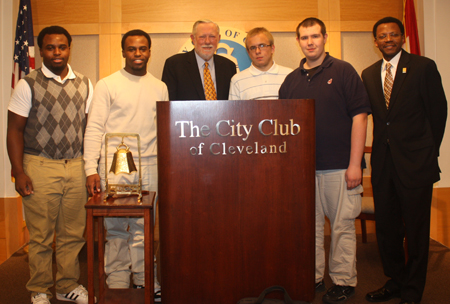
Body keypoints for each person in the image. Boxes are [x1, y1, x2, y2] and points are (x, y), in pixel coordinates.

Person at [279, 17, 371, 304]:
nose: (310, 42)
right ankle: (314, 276)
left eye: (315, 36)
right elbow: (284, 126)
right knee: (310, 226)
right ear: (298, 41)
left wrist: (355, 164)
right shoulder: (291, 80)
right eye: (304, 37)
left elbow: (360, 116)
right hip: (304, 170)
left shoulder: (343, 71)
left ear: (324, 38)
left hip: (341, 166)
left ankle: (344, 281)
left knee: (342, 225)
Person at [361, 17, 447, 304]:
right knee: (387, 229)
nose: (388, 39)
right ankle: (394, 281)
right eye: (382, 35)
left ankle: (413, 290)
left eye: (393, 34)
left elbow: (438, 112)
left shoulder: (423, 67)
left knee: (416, 230)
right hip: (384, 166)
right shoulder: (369, 73)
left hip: (415, 165)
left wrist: (427, 152)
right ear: (375, 41)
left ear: (403, 37)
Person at [7, 26, 93, 304]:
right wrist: (19, 171)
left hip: (76, 166)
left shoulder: (85, 83)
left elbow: (90, 129)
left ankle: (67, 286)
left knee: (72, 235)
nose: (57, 52)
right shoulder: (27, 83)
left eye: (62, 47)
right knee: (41, 236)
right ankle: (40, 290)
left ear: (69, 48)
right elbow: (14, 131)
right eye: (50, 47)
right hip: (39, 166)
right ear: (41, 50)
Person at [83, 29, 167, 302]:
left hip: (151, 165)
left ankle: (145, 281)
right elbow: (94, 127)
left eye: (143, 49)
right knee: (117, 227)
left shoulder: (160, 86)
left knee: (146, 227)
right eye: (132, 49)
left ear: (149, 52)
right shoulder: (107, 84)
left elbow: (162, 128)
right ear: (123, 52)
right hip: (115, 167)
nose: (138, 54)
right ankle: (118, 282)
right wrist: (91, 168)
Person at [162, 19, 236, 100]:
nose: (207, 41)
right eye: (202, 37)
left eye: (212, 36)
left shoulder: (229, 66)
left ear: (218, 38)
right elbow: (168, 104)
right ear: (193, 39)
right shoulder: (174, 65)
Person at [229, 27, 292, 100]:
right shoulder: (237, 81)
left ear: (272, 48)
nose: (257, 51)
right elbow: (234, 111)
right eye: (253, 48)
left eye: (262, 46)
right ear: (248, 53)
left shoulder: (290, 76)